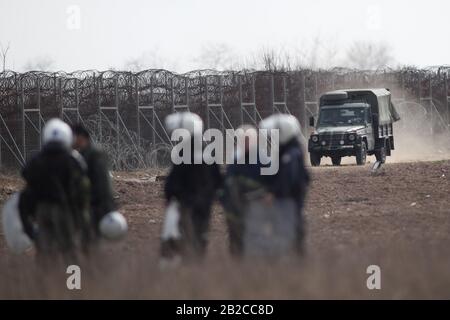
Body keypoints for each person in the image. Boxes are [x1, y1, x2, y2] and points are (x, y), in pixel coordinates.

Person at [18, 118, 91, 262]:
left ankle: (45, 282)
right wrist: (81, 217)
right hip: (63, 209)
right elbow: (81, 189)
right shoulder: (72, 160)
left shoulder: (35, 160)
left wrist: (28, 220)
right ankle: (74, 284)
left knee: (44, 251)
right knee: (69, 250)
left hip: (41, 210)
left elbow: (27, 185)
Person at [160, 112, 222, 265]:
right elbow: (216, 177)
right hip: (204, 202)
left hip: (188, 201)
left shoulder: (186, 150)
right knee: (200, 234)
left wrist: (171, 194)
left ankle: (189, 266)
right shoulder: (206, 149)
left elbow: (176, 177)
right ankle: (197, 263)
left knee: (185, 235)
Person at [259, 114, 310, 256]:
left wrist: (273, 193)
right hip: (290, 197)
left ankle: (295, 255)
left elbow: (287, 177)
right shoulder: (290, 149)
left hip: (288, 198)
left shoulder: (291, 154)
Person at [221, 125, 267, 257]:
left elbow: (271, 183)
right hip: (236, 209)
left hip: (256, 206)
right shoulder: (235, 160)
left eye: (248, 139)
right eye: (243, 139)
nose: (246, 142)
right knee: (236, 243)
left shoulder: (262, 159)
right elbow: (228, 183)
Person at [71, 124, 117, 240]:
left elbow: (101, 184)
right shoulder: (83, 154)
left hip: (98, 206)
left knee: (95, 240)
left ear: (80, 137)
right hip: (91, 205)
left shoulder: (95, 154)